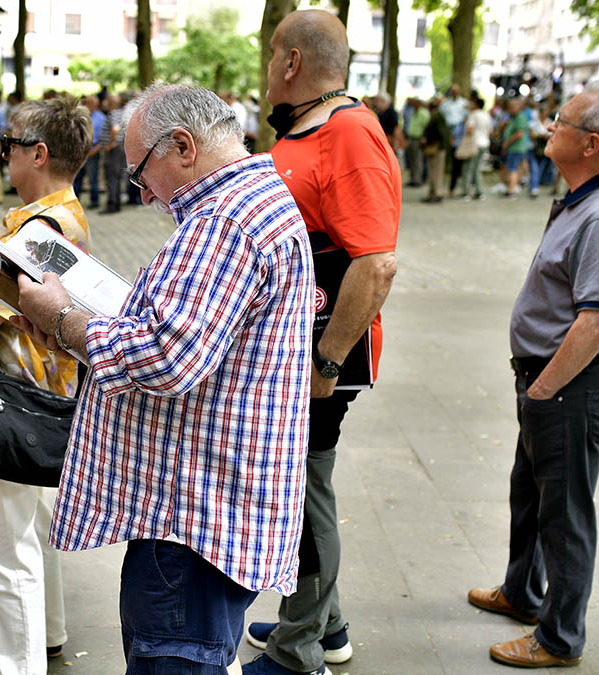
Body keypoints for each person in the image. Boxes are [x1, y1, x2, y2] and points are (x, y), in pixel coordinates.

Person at [11, 82, 315, 673]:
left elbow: (167, 357)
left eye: (140, 174)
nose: (144, 194)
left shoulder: (223, 220)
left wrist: (63, 318)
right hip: (210, 509)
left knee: (175, 657)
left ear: (182, 146)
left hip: (195, 521)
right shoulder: (250, 200)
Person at [468, 82, 599, 669]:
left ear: (590, 143)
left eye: (560, 122)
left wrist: (545, 390)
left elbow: (596, 323)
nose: (549, 127)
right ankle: (523, 594)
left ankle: (559, 638)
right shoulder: (582, 197)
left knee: (566, 517)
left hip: (572, 386)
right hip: (554, 382)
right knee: (531, 495)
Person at [244, 10, 400, 675]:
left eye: (273, 51)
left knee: (306, 492)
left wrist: (325, 363)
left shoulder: (350, 135)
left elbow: (375, 264)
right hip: (296, 351)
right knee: (301, 486)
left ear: (291, 63)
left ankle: (299, 645)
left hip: (317, 358)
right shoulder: (315, 128)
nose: (267, 64)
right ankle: (321, 622)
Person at [0, 96, 91, 675]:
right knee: (33, 530)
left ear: (38, 152)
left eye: (8, 147)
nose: (3, 157)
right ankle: (48, 635)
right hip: (48, 394)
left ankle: (21, 663)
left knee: (6, 557)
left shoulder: (36, 231)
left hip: (12, 400)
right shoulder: (68, 214)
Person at [72, 95, 104, 209]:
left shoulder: (101, 118)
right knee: (77, 178)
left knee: (92, 178)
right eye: (86, 103)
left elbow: (103, 137)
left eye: (90, 103)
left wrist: (95, 149)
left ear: (96, 104)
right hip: (81, 151)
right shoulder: (81, 116)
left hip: (93, 150)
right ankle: (75, 202)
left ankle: (94, 201)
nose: (88, 105)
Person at [458, 94, 491, 200]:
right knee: (477, 168)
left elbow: (469, 130)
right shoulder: (487, 115)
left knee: (468, 168)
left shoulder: (473, 115)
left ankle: (466, 192)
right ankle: (478, 191)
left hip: (474, 144)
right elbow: (490, 131)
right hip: (484, 143)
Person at [99, 94, 125, 213]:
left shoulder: (113, 113)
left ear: (111, 103)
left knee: (112, 178)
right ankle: (116, 204)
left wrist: (110, 144)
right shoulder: (121, 112)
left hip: (114, 150)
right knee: (116, 177)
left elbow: (115, 129)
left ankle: (112, 205)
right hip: (119, 149)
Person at [501, 98, 532, 197]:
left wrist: (507, 143)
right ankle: (514, 187)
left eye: (512, 106)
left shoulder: (520, 117)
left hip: (516, 148)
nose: (510, 109)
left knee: (512, 168)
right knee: (515, 168)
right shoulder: (512, 117)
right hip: (514, 148)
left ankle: (511, 190)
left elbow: (519, 134)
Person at [423, 98, 450, 203]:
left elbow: (441, 134)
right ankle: (433, 193)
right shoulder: (437, 117)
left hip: (437, 148)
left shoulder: (438, 118)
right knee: (433, 172)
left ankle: (437, 193)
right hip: (436, 147)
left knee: (436, 172)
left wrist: (428, 139)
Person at [405, 98, 429, 187]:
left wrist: (424, 137)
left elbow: (426, 126)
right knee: (411, 160)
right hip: (410, 138)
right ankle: (412, 178)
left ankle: (417, 180)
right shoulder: (413, 112)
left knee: (417, 160)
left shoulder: (423, 113)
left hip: (418, 138)